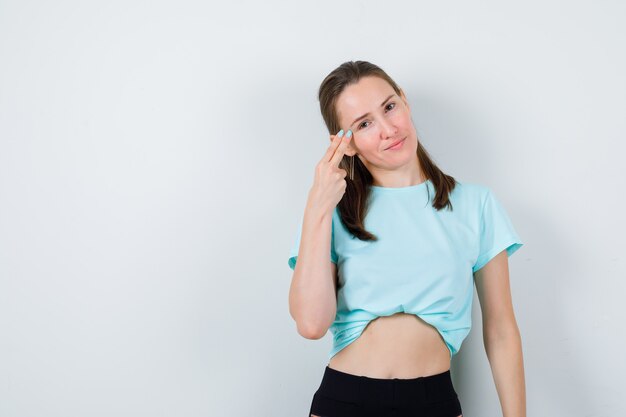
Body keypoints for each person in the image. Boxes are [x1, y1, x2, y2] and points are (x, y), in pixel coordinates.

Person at [287, 61, 526, 417]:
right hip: (344, 398)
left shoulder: (476, 205)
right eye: (364, 124)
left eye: (389, 107)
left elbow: (501, 330)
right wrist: (317, 208)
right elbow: (310, 324)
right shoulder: (334, 212)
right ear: (344, 144)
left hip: (434, 400)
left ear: (404, 101)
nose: (388, 129)